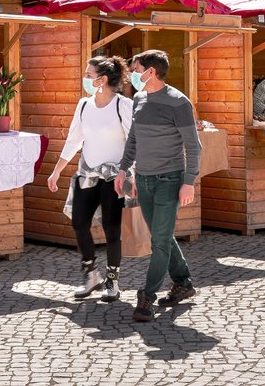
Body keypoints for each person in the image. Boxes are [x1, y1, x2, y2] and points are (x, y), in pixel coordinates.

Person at [114, 49, 201, 323]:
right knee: (161, 236)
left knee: (159, 241)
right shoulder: (138, 98)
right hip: (144, 179)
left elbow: (194, 147)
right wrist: (124, 169)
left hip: (170, 180)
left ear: (151, 72)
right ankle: (183, 282)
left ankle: (147, 297)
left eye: (136, 69)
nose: (132, 75)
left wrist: (189, 183)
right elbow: (134, 139)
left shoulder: (178, 102)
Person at [47, 56, 133, 302]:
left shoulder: (122, 105)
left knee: (111, 228)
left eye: (88, 74)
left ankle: (112, 281)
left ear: (102, 79)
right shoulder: (84, 105)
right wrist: (57, 170)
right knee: (79, 223)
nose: (85, 78)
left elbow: (133, 141)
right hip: (87, 173)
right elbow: (74, 139)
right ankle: (90, 274)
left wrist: (128, 172)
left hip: (114, 177)